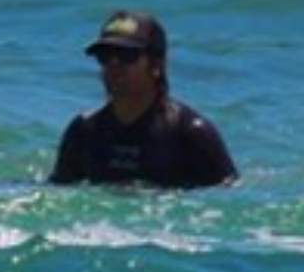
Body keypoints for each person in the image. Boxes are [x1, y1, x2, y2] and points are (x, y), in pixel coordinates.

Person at [50, 10, 237, 189]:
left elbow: (227, 203)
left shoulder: (191, 133)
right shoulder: (84, 131)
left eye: (126, 55)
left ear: (156, 65)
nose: (114, 65)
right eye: (105, 56)